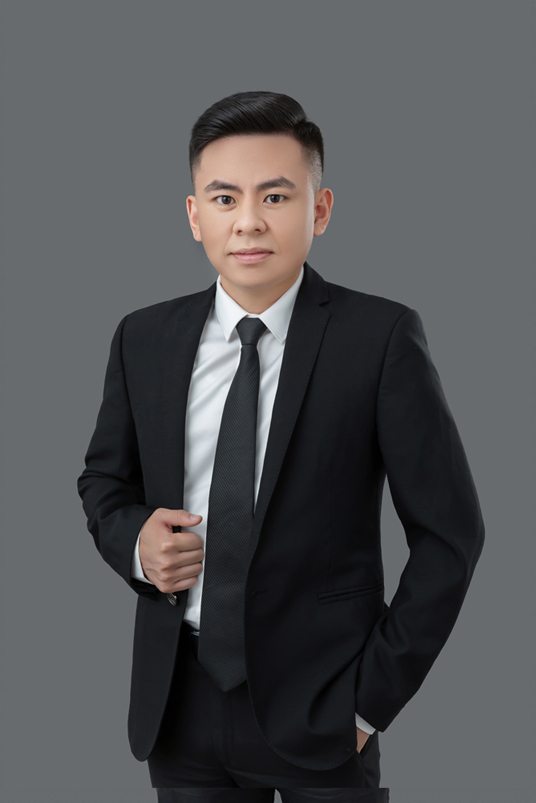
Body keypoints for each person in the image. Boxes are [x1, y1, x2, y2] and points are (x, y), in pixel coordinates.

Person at [77, 91, 485, 803]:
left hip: (325, 705)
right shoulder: (143, 337)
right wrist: (136, 543)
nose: (249, 221)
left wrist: (369, 703)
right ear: (194, 215)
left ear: (319, 209)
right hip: (177, 704)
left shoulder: (380, 338)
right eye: (224, 198)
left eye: (274, 195)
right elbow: (104, 483)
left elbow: (451, 535)